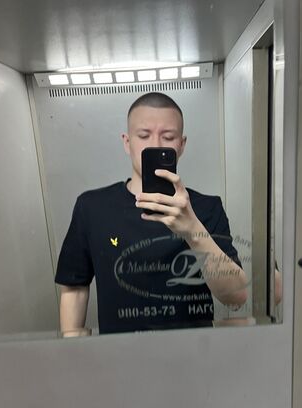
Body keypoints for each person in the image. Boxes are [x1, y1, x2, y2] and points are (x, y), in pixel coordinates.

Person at [55, 92, 248, 336]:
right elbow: (74, 286)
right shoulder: (92, 207)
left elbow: (235, 297)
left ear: (181, 145)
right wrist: (72, 344)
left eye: (168, 137)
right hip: (118, 352)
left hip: (193, 351)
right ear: (127, 142)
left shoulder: (206, 208)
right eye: (144, 135)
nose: (155, 145)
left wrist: (192, 230)